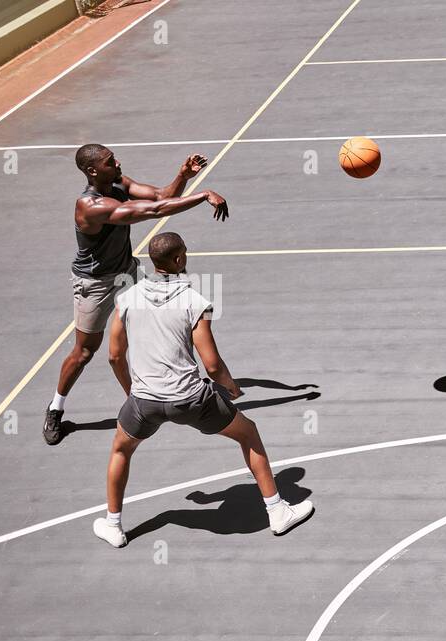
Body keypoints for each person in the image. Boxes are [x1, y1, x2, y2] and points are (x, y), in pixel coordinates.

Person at [92, 232, 313, 548]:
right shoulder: (194, 302)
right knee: (248, 433)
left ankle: (113, 525)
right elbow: (211, 365)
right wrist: (231, 387)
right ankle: (277, 512)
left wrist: (133, 392)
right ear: (179, 259)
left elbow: (114, 355)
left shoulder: (126, 298)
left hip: (144, 402)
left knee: (121, 449)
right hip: (191, 400)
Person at [43, 144, 230, 445]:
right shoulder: (88, 205)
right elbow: (154, 211)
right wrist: (204, 193)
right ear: (92, 171)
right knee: (85, 352)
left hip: (127, 272)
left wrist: (182, 176)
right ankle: (55, 408)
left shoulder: (119, 183)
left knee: (153, 327)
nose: (116, 162)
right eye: (108, 161)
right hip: (94, 283)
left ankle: (150, 396)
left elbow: (160, 197)